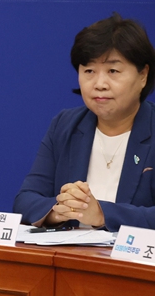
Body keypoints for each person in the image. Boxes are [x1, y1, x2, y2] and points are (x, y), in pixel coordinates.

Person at [14, 15, 155, 230]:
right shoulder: (65, 125)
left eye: (113, 71)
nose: (99, 84)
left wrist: (102, 214)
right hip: (73, 249)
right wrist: (59, 210)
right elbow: (25, 200)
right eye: (89, 71)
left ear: (143, 75)